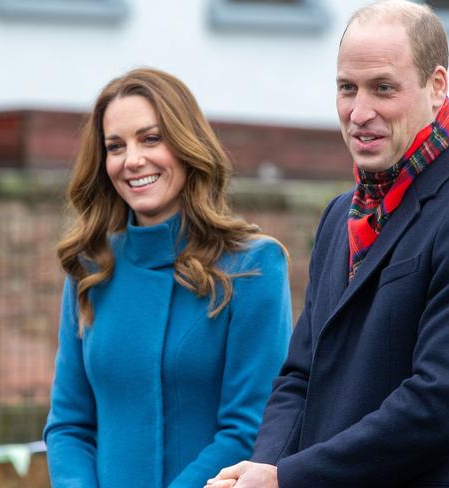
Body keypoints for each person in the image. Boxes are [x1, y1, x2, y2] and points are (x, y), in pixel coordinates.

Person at [208, 1, 449, 487]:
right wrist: (265, 469)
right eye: (346, 88)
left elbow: (442, 407)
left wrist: (288, 479)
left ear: (436, 86)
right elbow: (299, 377)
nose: (359, 112)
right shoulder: (343, 215)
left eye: (383, 88)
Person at [43, 67, 292, 487]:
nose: (133, 159)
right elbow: (69, 425)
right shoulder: (90, 269)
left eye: (151, 138)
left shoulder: (254, 265)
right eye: (115, 146)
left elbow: (247, 428)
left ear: (186, 144)